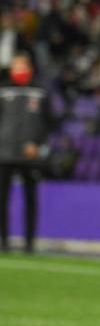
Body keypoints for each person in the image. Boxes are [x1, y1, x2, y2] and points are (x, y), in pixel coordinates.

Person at [0, 54, 54, 253]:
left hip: (30, 155)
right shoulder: (3, 89)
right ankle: (4, 241)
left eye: (22, 64)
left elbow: (50, 122)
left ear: (30, 67)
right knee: (2, 199)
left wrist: (38, 144)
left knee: (30, 199)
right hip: (4, 153)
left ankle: (29, 242)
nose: (19, 68)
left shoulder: (40, 91)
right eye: (16, 64)